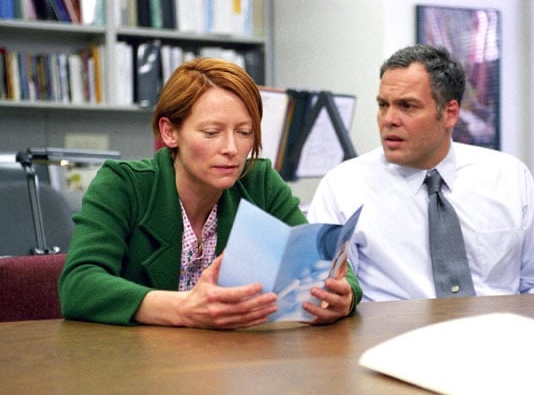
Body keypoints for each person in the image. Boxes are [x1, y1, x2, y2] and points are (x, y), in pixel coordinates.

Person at [59, 58, 362, 329]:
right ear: (170, 132)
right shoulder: (123, 185)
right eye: (212, 132)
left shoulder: (259, 182)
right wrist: (185, 308)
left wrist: (344, 296)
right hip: (136, 360)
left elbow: (327, 264)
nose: (231, 148)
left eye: (244, 132)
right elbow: (78, 284)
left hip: (231, 360)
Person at [307, 44, 534, 301]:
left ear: (449, 113)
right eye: (383, 105)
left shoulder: (508, 177)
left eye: (407, 106)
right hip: (393, 329)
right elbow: (326, 290)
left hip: (497, 326)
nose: (389, 119)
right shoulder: (343, 186)